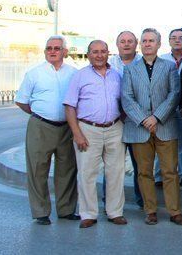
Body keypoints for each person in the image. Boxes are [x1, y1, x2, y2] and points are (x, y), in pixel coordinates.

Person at [121, 28, 182, 225]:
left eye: (152, 41)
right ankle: (150, 210)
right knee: (144, 172)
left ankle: (175, 211)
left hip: (165, 126)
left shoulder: (169, 67)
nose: (148, 44)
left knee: (170, 172)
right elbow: (127, 97)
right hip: (139, 128)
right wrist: (143, 119)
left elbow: (174, 94)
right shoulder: (130, 69)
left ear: (159, 44)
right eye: (145, 41)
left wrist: (156, 118)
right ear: (141, 45)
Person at [15, 36, 79, 225]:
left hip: (66, 128)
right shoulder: (34, 73)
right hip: (41, 127)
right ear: (45, 52)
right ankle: (40, 211)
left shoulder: (74, 74)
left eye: (57, 48)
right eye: (49, 48)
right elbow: (22, 101)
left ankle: (66, 210)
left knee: (67, 169)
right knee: (37, 169)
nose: (52, 51)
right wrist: (40, 114)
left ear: (65, 52)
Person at [63, 40, 126, 228]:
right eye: (95, 52)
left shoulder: (117, 76)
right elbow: (69, 106)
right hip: (88, 129)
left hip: (115, 128)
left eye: (103, 52)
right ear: (89, 54)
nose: (99, 55)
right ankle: (88, 213)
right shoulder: (79, 76)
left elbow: (124, 102)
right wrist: (77, 133)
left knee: (116, 172)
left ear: (108, 54)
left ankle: (115, 212)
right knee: (87, 173)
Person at [108, 30, 143, 209]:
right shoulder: (109, 64)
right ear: (117, 44)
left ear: (136, 43)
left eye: (130, 41)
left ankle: (142, 201)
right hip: (115, 121)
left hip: (137, 121)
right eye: (123, 41)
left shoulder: (143, 63)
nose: (126, 44)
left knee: (140, 165)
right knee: (113, 165)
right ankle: (111, 204)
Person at [159, 29, 182, 188]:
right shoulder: (162, 60)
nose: (177, 40)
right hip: (165, 107)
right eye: (174, 38)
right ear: (169, 41)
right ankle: (159, 176)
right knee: (162, 141)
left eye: (181, 38)